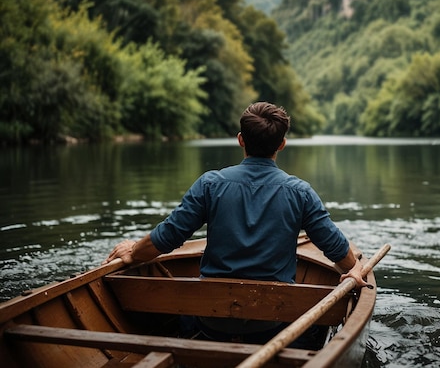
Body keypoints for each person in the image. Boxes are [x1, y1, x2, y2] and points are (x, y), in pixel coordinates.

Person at [103, 101, 368, 345]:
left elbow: (166, 238)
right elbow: (335, 249)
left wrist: (133, 251)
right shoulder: (300, 192)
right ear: (282, 144)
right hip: (275, 328)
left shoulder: (209, 185)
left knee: (180, 320)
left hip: (210, 325)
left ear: (241, 140)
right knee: (316, 329)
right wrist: (355, 268)